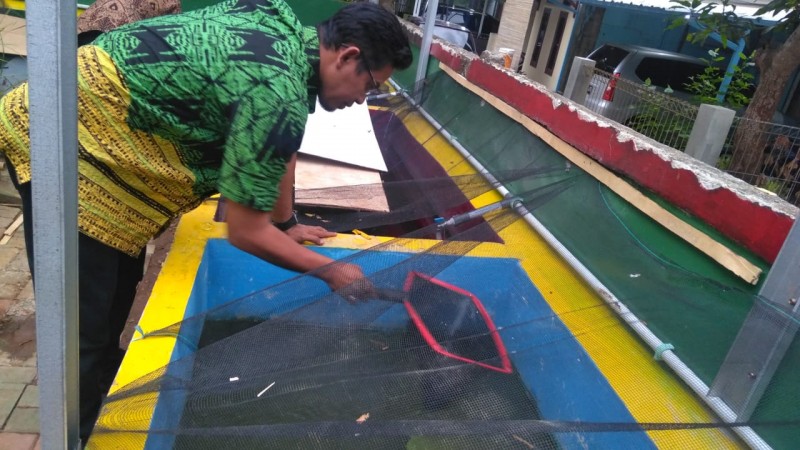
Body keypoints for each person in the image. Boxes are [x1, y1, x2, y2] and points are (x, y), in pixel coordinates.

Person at [0, 0, 412, 442]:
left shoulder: (284, 34)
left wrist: (286, 223)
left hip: (89, 117)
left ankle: (104, 387)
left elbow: (279, 150)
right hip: (62, 137)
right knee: (83, 320)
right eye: (369, 84)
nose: (361, 99)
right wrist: (331, 271)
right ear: (348, 56)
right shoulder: (274, 91)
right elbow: (245, 231)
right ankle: (76, 433)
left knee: (118, 286)